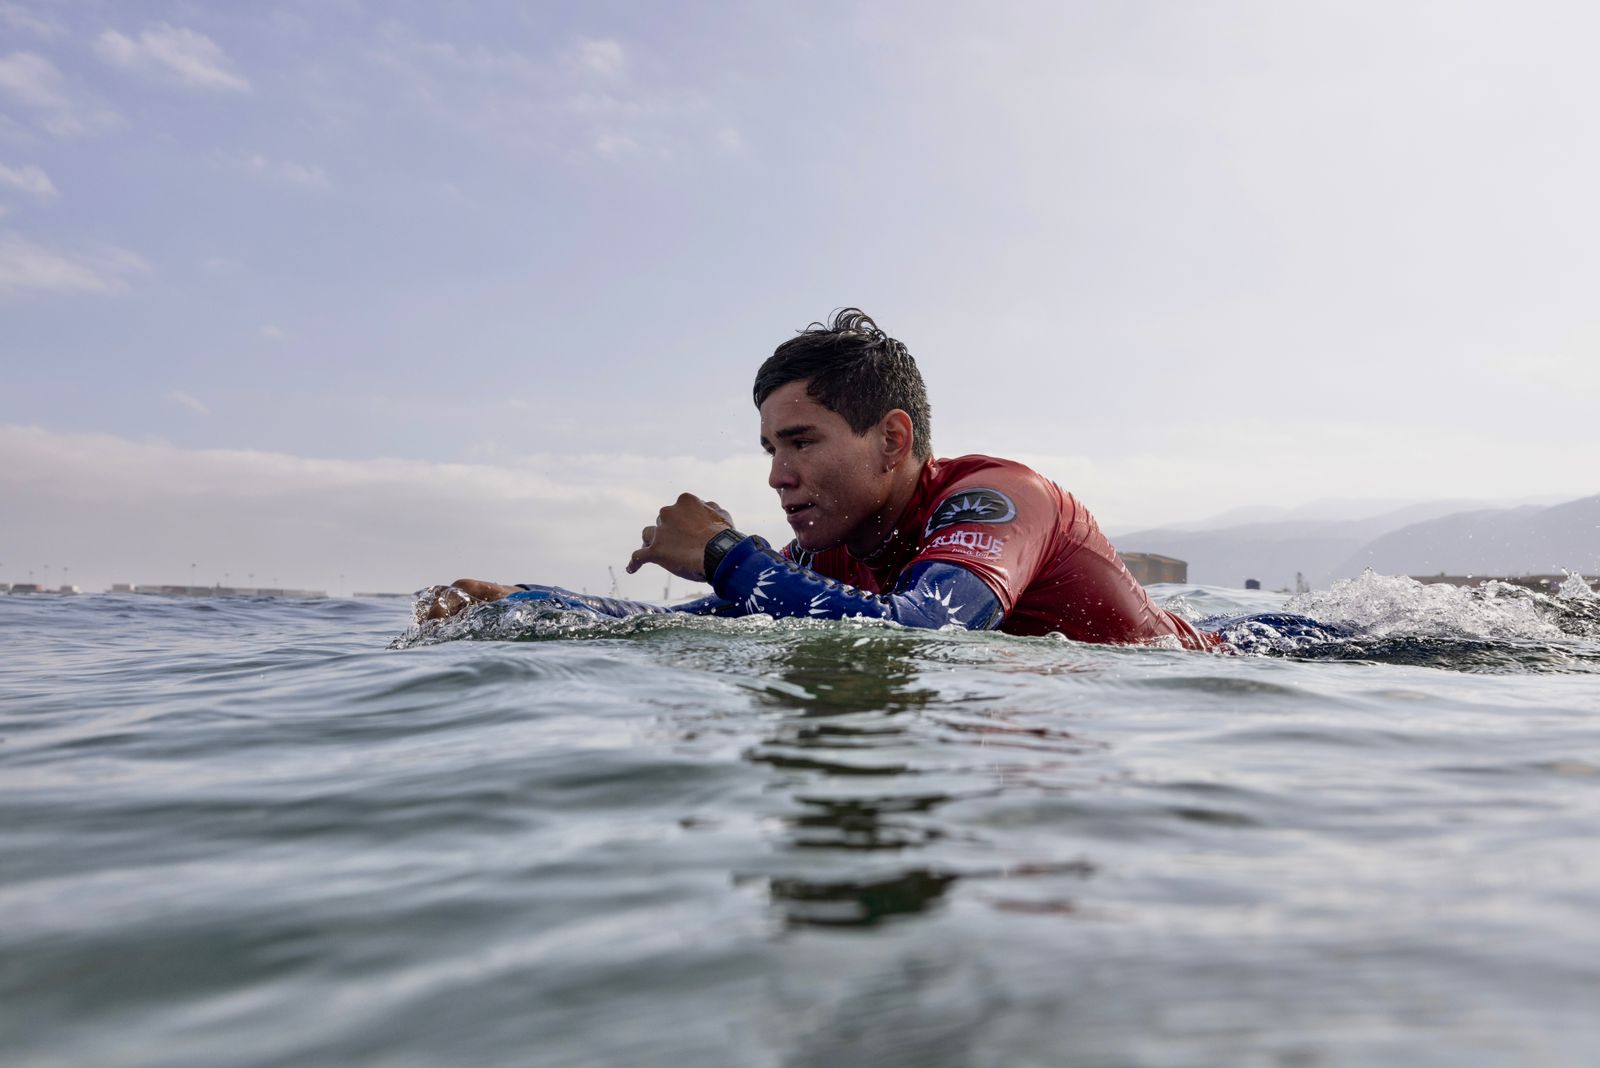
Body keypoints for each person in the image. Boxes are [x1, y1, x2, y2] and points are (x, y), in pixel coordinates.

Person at [421, 309, 1218, 650]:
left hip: (1235, 663)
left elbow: (931, 633)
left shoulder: (999, 497)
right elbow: (709, 618)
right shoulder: (832, 557)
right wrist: (525, 600)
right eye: (770, 448)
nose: (776, 476)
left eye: (800, 443)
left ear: (891, 438)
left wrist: (728, 551)